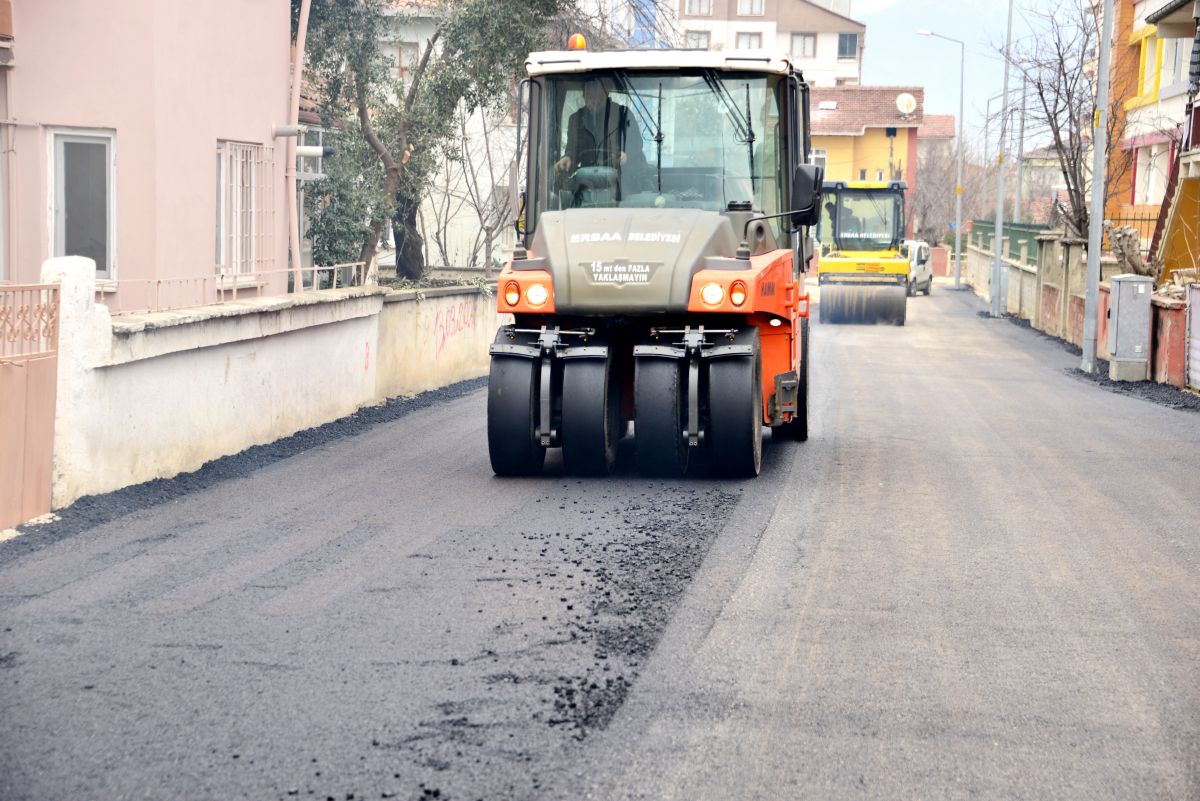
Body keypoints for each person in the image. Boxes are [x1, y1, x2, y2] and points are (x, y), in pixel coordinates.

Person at [554, 78, 647, 177]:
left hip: (621, 179)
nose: (593, 100)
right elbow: (572, 148)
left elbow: (636, 144)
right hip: (588, 179)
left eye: (597, 96)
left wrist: (626, 155)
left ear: (605, 94)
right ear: (583, 95)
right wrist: (568, 157)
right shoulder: (575, 119)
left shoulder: (623, 114)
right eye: (589, 96)